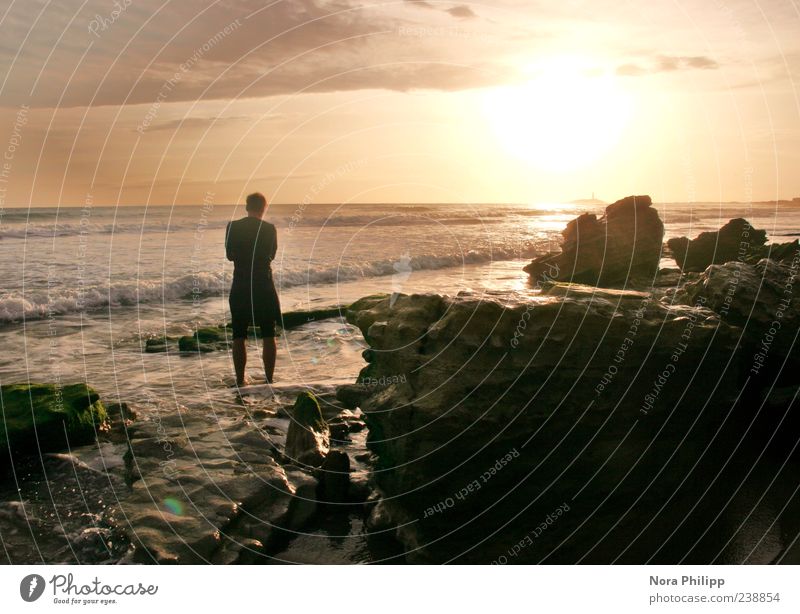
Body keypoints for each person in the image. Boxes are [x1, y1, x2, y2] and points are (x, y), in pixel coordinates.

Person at [225, 192, 280, 386]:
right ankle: (269, 379)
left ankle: (241, 381)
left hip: (240, 283)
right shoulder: (269, 229)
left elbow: (229, 255)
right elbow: (271, 255)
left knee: (239, 334)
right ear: (264, 208)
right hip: (263, 284)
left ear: (247, 207)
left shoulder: (232, 227)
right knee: (268, 332)